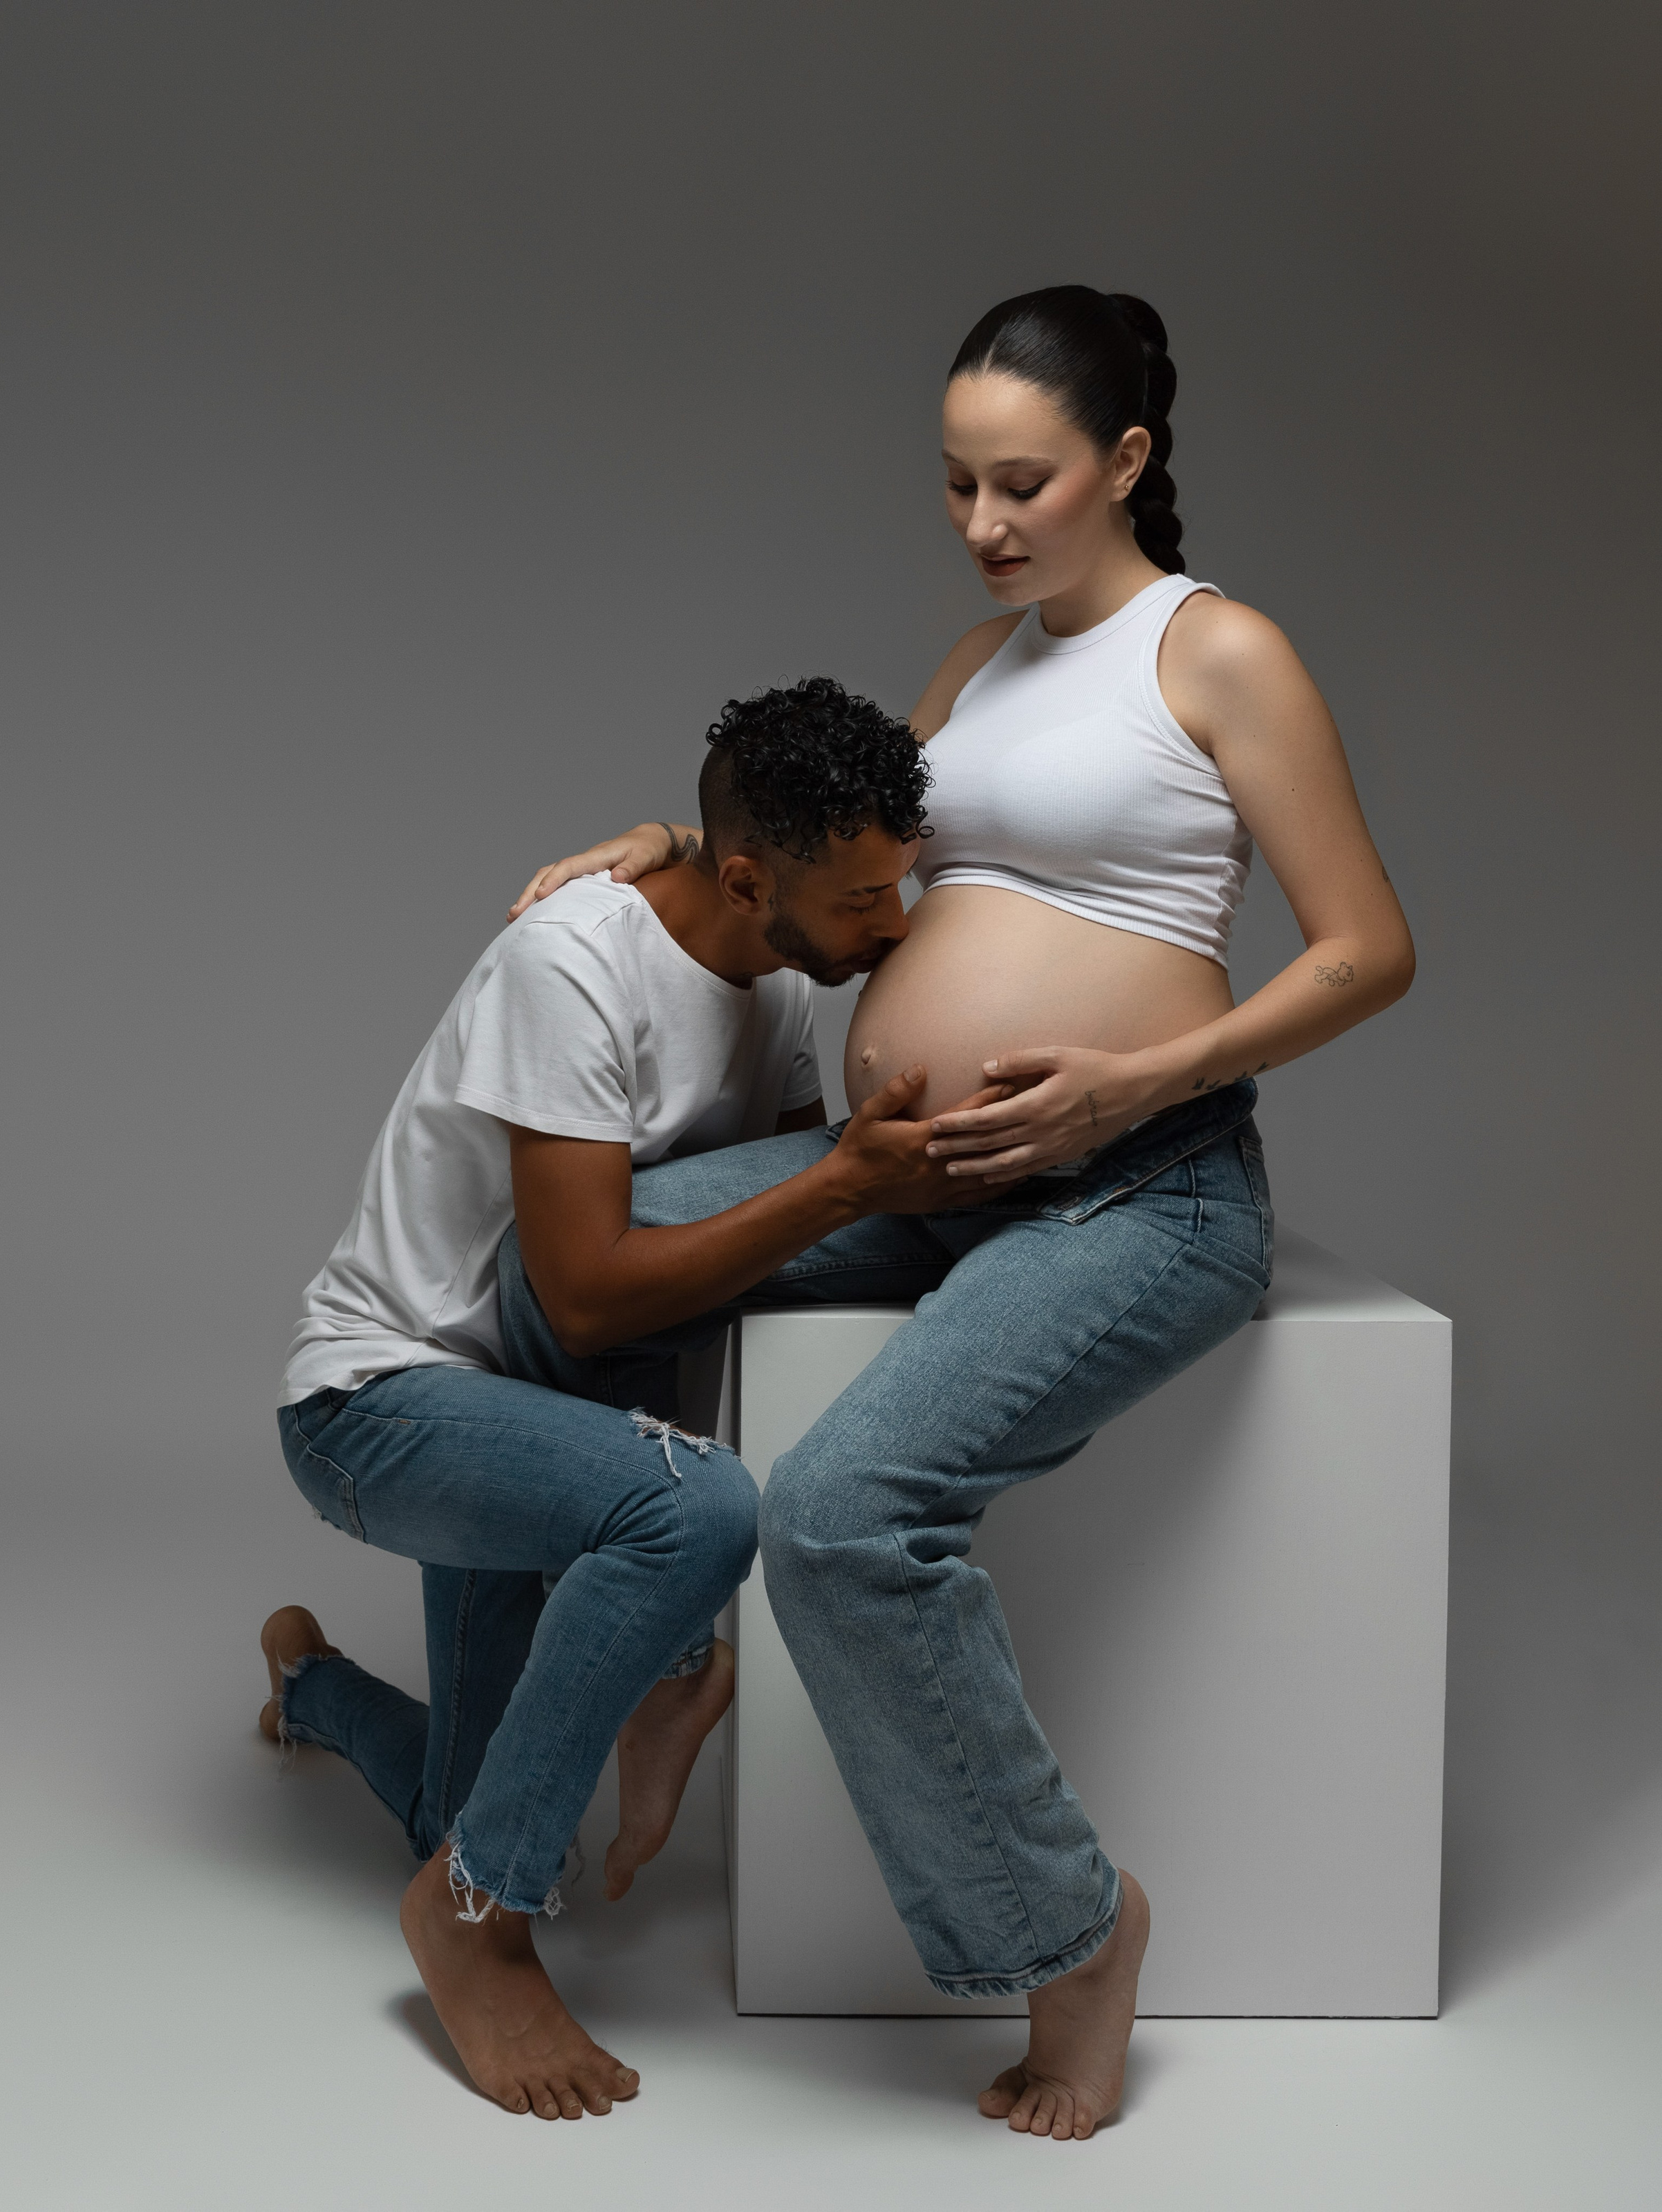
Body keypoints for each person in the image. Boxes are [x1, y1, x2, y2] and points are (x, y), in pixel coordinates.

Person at [504, 285, 1417, 2142]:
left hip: (1134, 1194)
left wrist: (1132, 1082)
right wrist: (681, 852)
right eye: (956, 483)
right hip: (913, 1174)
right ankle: (673, 1654)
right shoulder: (974, 665)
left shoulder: (1217, 651)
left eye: (1024, 482)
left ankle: (1070, 1934)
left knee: (843, 1516)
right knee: (568, 1278)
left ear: (1127, 461)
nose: (984, 522)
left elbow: (1368, 951)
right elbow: (859, 877)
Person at [264, 678, 995, 2121]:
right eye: (863, 900)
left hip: (543, 1414)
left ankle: (306, 1683)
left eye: (897, 885)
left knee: (454, 1812)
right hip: (385, 1403)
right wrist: (847, 1184)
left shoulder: (782, 981)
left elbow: (759, 1241)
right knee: (697, 1512)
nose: (896, 925)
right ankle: (479, 1919)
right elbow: (592, 1294)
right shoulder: (570, 963)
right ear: (747, 879)